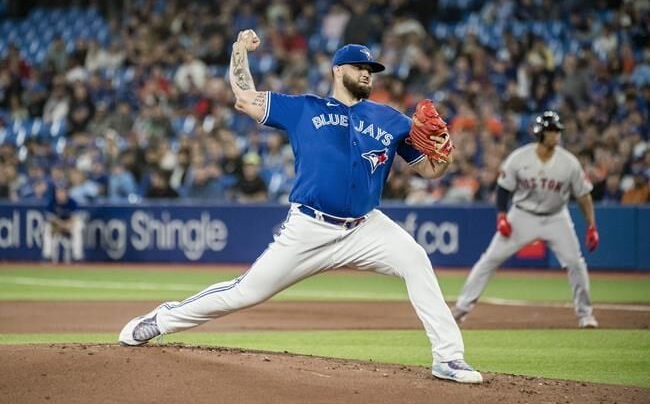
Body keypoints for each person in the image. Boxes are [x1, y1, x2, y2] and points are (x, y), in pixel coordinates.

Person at [119, 30, 483, 384]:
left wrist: (444, 155)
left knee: (415, 259)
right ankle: (163, 319)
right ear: (338, 71)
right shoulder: (304, 108)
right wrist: (239, 50)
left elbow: (430, 169)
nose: (367, 73)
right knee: (246, 292)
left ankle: (448, 357)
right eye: (359, 67)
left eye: (371, 70)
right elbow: (245, 96)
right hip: (310, 226)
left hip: (366, 226)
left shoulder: (391, 120)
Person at [452, 111, 600, 329]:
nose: (556, 135)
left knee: (575, 263)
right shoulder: (520, 158)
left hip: (556, 217)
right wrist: (502, 216)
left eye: (557, 131)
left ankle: (585, 314)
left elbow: (584, 196)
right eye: (552, 131)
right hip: (522, 215)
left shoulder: (569, 163)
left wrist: (591, 226)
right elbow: (503, 189)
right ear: (540, 133)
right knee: (490, 259)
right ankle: (461, 309)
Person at [42, 183, 84, 264]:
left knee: (78, 227)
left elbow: (75, 217)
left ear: (67, 193)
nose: (61, 194)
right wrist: (62, 225)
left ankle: (77, 257)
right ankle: (47, 256)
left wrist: (68, 225)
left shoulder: (72, 202)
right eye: (59, 192)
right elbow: (50, 218)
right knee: (47, 227)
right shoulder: (52, 202)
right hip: (57, 226)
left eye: (63, 191)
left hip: (69, 226)